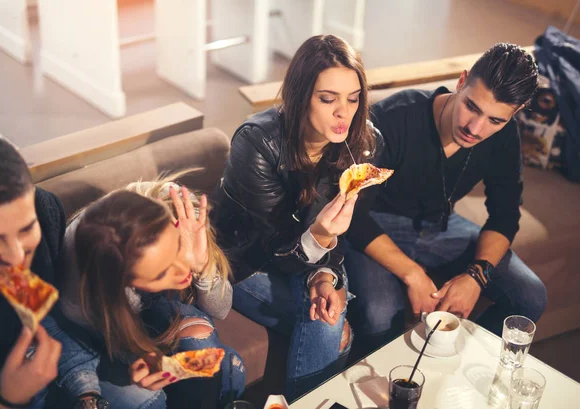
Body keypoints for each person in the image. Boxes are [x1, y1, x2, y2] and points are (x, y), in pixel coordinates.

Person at [343, 43, 548, 355]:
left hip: (441, 224)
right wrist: (412, 273)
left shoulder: (505, 135)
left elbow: (505, 215)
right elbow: (353, 213)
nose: (475, 129)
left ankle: (463, 366)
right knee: (380, 312)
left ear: (515, 113)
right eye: (472, 107)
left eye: (495, 120)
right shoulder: (393, 119)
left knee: (530, 295)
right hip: (374, 221)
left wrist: (476, 277)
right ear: (462, 81)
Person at [211, 34, 378, 399]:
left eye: (353, 99)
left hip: (309, 254)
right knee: (338, 332)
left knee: (330, 321)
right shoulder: (256, 142)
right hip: (247, 260)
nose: (343, 113)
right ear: (301, 95)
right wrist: (319, 241)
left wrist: (324, 276)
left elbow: (336, 232)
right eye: (327, 98)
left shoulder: (360, 143)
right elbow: (276, 242)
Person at [59, 175, 245, 409]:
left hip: (152, 306)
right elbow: (117, 347)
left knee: (222, 362)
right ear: (126, 282)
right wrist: (154, 360)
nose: (183, 270)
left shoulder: (174, 208)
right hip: (98, 335)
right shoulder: (83, 298)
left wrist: (203, 265)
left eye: (177, 246)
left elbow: (221, 309)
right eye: (161, 273)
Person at [0, 134, 100, 409]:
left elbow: (47, 315)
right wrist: (9, 400)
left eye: (25, 230)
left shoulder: (46, 211)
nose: (16, 257)